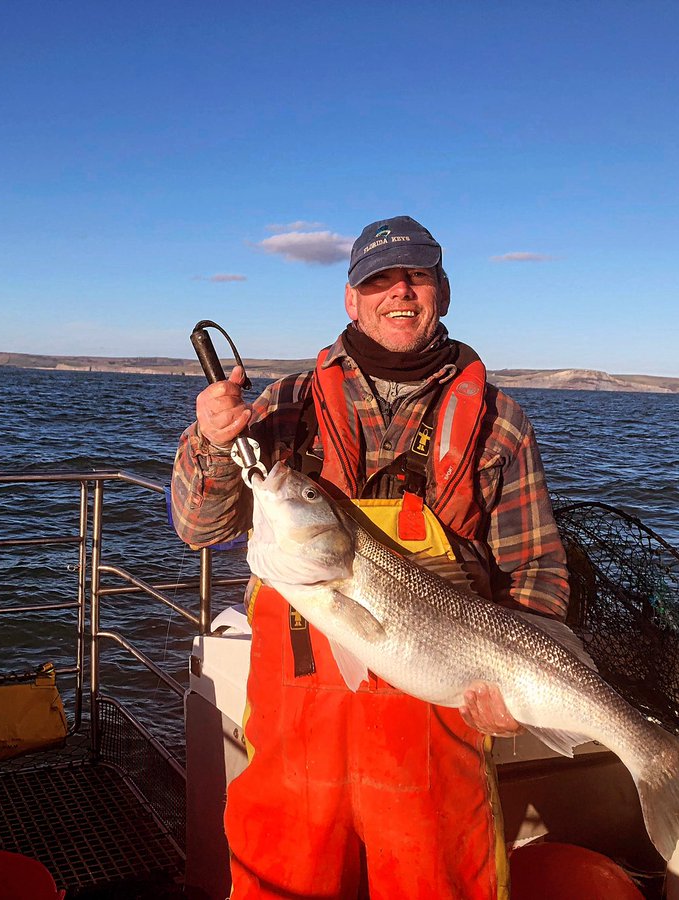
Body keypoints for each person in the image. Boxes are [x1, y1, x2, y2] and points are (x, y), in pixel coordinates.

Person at [171, 215, 569, 899]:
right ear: (351, 299)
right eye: (379, 280)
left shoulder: (500, 421)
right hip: (294, 733)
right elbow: (199, 529)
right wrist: (210, 442)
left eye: (416, 277)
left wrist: (517, 685)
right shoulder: (286, 405)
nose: (400, 293)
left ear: (442, 292)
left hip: (439, 722)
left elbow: (538, 569)